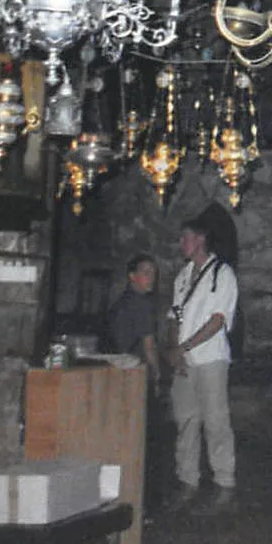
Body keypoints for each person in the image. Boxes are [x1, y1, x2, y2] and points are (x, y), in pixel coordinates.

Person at [163, 203, 240, 514]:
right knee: (186, 421)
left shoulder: (222, 274)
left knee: (216, 421)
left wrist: (185, 347)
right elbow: (173, 317)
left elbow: (218, 320)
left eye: (186, 239)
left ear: (200, 240)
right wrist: (173, 348)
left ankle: (224, 483)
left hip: (210, 360)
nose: (182, 244)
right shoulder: (182, 277)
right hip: (184, 362)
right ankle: (188, 481)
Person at [104, 253, 162, 394]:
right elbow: (148, 346)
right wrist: (156, 374)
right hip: (136, 370)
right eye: (146, 273)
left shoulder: (122, 301)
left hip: (117, 369)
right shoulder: (141, 304)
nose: (151, 278)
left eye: (153, 274)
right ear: (132, 276)